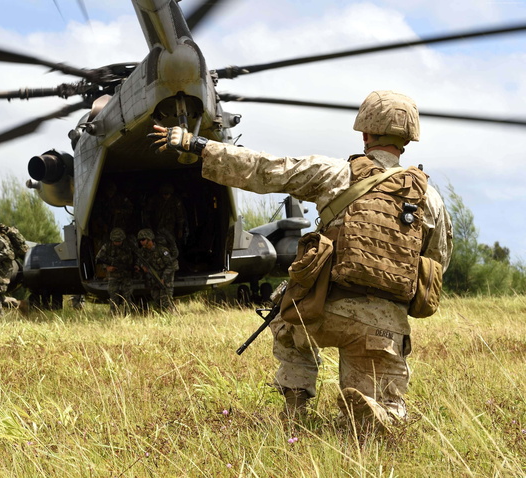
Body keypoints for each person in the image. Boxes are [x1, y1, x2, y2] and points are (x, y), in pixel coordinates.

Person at [149, 90, 453, 428]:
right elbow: (436, 263)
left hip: (319, 312)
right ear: (408, 138)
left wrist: (199, 146)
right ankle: (379, 411)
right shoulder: (430, 199)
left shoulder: (334, 173)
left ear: (365, 133)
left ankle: (295, 409)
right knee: (384, 395)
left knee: (283, 316)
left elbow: (267, 170)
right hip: (383, 327)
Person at [95, 227, 136, 314]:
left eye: (119, 241)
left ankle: (128, 314)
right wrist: (107, 267)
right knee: (113, 295)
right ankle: (114, 314)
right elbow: (98, 258)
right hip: (113, 275)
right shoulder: (107, 246)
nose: (117, 243)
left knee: (127, 296)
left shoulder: (129, 246)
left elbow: (136, 258)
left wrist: (135, 266)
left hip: (126, 274)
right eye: (115, 241)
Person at [136, 228, 177, 312]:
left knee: (166, 300)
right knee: (157, 299)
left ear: (149, 239)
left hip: (165, 276)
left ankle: (171, 316)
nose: (141, 242)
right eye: (140, 240)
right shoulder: (143, 251)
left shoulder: (162, 250)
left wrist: (163, 278)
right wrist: (140, 266)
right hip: (153, 277)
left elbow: (170, 265)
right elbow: (139, 260)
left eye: (143, 239)